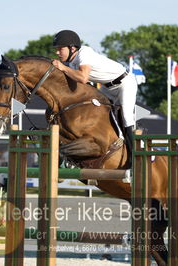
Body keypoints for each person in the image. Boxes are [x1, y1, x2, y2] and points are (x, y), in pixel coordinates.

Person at [51, 30, 138, 181]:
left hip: (125, 83)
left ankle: (135, 159)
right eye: (57, 49)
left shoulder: (84, 53)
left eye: (60, 48)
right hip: (107, 88)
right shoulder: (71, 62)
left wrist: (63, 68)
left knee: (126, 117)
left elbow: (83, 78)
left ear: (72, 48)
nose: (58, 52)